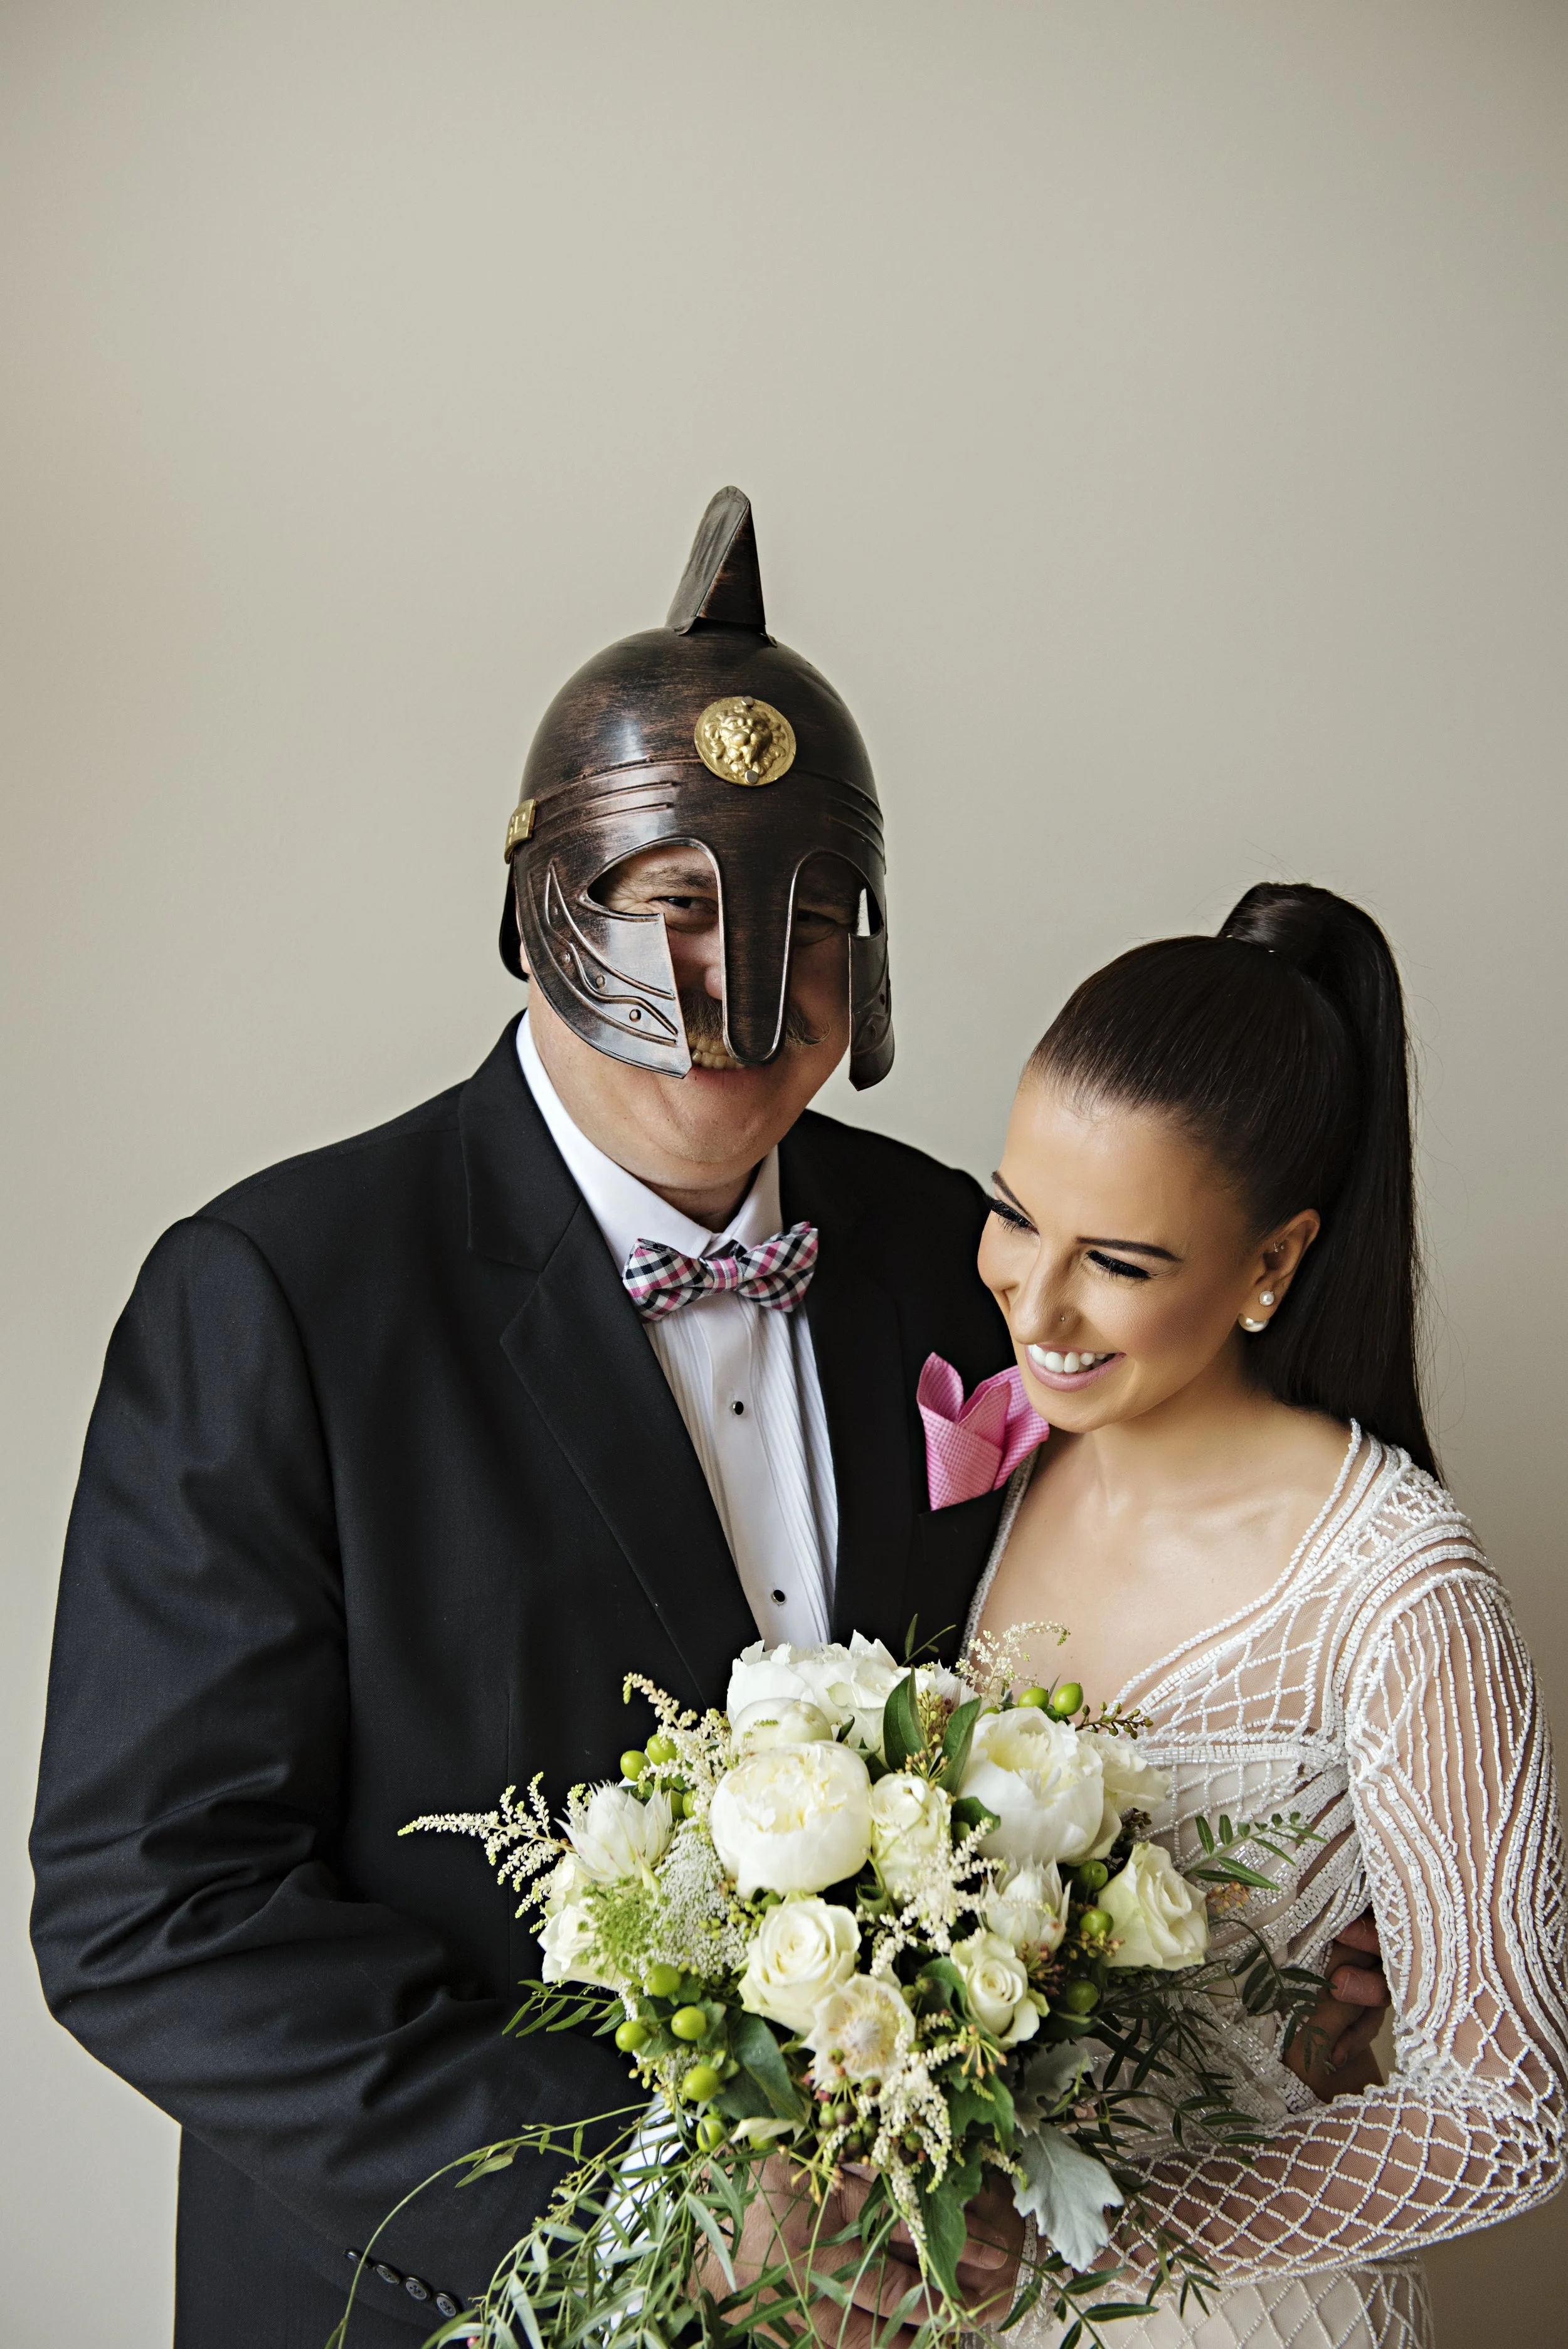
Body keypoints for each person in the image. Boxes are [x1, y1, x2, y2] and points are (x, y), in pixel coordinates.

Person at [28, 488, 1385, 2349]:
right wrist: (652, 2210)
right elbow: (152, 1910)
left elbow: (1153, 1626)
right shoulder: (274, 1295)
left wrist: (1296, 1940)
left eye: (808, 921)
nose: (740, 986)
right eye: (674, 906)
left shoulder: (963, 1253)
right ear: (545, 906)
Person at [967, 882, 1566, 2348]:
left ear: (1272, 1263)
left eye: (1117, 1263)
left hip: (1236, 2315)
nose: (1035, 1306)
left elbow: (1506, 2113)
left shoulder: (1393, 1583)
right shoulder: (982, 1463)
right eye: (1013, 1215)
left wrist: (1073, 2232)